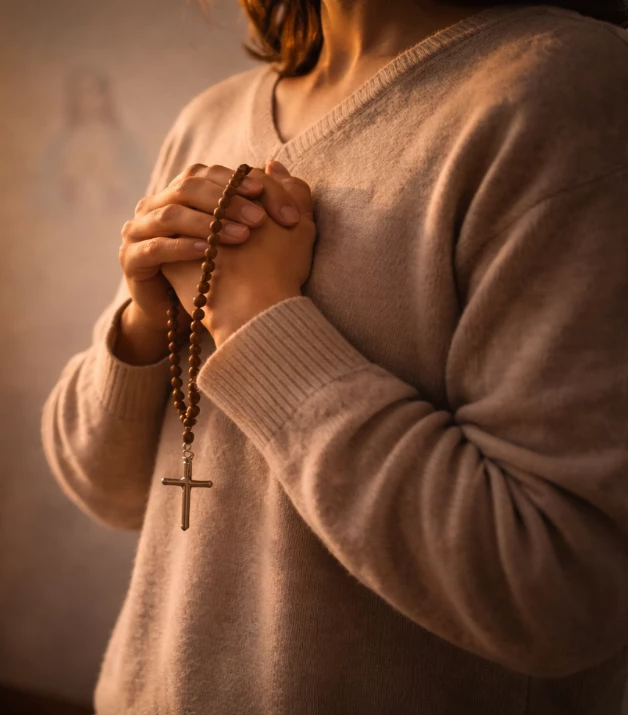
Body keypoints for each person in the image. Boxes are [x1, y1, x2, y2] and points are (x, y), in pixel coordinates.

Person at [40, 0, 628, 712]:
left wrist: (257, 321)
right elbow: (104, 487)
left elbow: (563, 590)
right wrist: (144, 318)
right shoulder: (209, 118)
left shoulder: (567, 91)